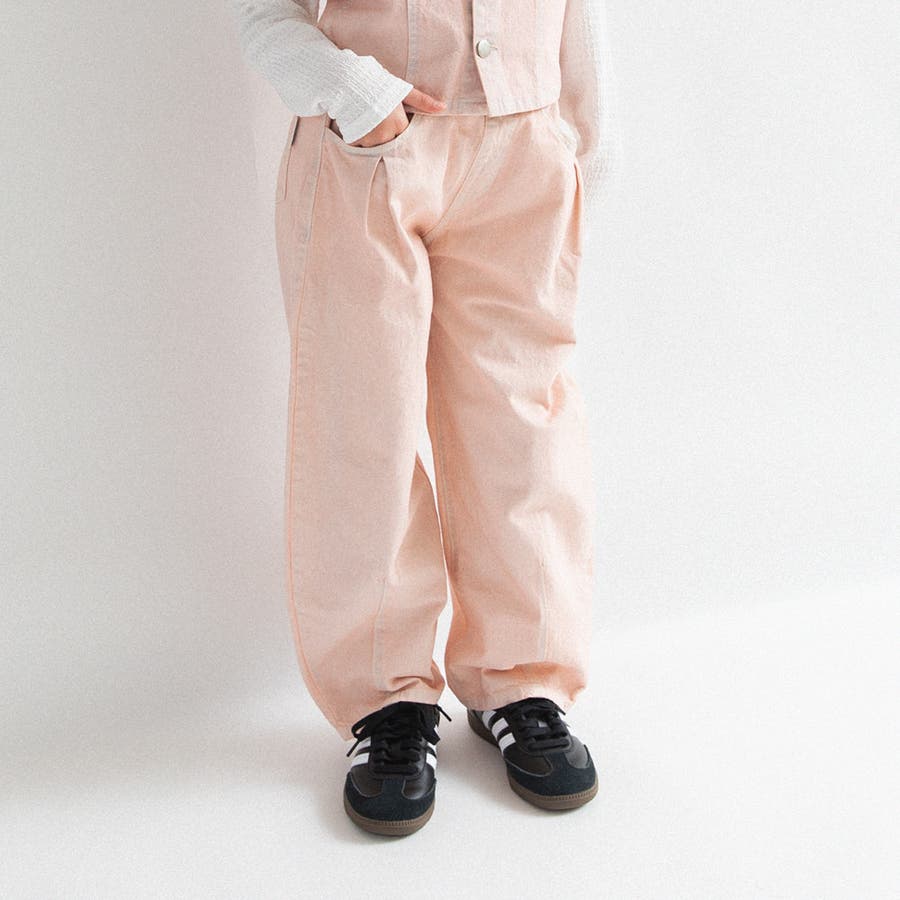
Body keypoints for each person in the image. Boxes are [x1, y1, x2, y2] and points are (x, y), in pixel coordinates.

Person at [227, 0, 620, 836]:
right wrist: (351, 92)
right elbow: (264, 10)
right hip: (367, 150)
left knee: (525, 420)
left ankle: (521, 676)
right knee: (360, 421)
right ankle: (386, 698)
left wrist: (589, 136)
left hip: (525, 147)